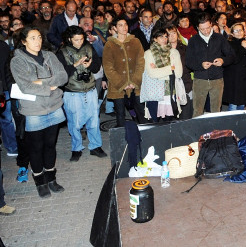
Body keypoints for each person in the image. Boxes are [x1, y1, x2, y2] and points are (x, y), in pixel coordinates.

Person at [10, 26, 68, 198]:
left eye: (39, 37)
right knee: (36, 148)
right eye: (33, 38)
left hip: (54, 106)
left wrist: (39, 82)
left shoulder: (50, 55)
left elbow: (63, 76)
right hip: (33, 110)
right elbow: (25, 86)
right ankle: (40, 181)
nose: (37, 41)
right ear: (23, 41)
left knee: (50, 145)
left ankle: (51, 178)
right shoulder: (17, 61)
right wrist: (50, 85)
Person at [57, 26, 106, 162]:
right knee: (74, 122)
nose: (80, 42)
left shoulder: (89, 48)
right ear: (69, 39)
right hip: (72, 92)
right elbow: (60, 75)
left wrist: (89, 66)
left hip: (90, 89)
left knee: (94, 120)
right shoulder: (62, 52)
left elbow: (96, 68)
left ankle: (95, 146)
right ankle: (76, 148)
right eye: (76, 40)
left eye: (81, 39)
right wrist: (75, 65)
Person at [186, 13, 235, 117]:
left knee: (216, 111)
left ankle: (215, 133)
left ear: (211, 24)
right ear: (197, 27)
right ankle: (197, 132)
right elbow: (188, 62)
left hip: (217, 79)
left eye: (208, 28)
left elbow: (231, 55)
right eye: (202, 29)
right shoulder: (193, 40)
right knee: (197, 111)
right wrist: (200, 65)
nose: (206, 31)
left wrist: (223, 60)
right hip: (200, 80)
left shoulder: (219, 38)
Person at [103, 17, 146, 127]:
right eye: (120, 25)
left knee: (141, 112)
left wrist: (135, 81)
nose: (124, 27)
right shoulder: (110, 44)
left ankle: (144, 135)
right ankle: (123, 139)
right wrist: (122, 84)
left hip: (135, 84)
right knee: (120, 114)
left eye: (125, 24)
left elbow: (141, 63)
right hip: (118, 85)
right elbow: (108, 67)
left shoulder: (135, 41)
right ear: (115, 28)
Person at [142, 27, 182, 122]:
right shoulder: (149, 53)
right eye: (161, 37)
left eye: (165, 36)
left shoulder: (174, 52)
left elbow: (178, 73)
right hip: (154, 92)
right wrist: (170, 69)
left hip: (170, 91)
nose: (164, 39)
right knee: (154, 122)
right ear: (155, 39)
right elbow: (152, 73)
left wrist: (159, 70)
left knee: (168, 122)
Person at [166, 25, 193, 119]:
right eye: (169, 34)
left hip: (185, 83)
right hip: (170, 85)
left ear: (177, 34)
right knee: (172, 114)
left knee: (186, 114)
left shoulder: (185, 48)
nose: (172, 36)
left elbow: (191, 65)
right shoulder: (164, 50)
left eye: (174, 33)